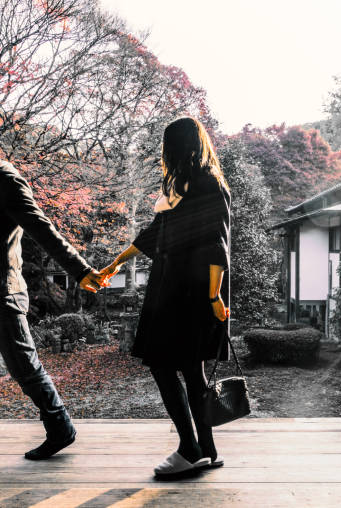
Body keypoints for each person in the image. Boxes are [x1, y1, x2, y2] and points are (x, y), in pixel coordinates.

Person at [102, 117, 231, 478]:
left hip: (187, 294)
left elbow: (215, 245)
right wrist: (114, 264)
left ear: (174, 146)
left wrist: (215, 295)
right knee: (191, 369)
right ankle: (205, 449)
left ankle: (190, 449)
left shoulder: (205, 184)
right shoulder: (183, 185)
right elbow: (154, 233)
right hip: (174, 289)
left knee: (164, 366)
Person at [0, 161, 107, 460]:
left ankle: (60, 427)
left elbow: (42, 227)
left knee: (25, 368)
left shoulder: (5, 179)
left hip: (3, 293)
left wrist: (80, 269)